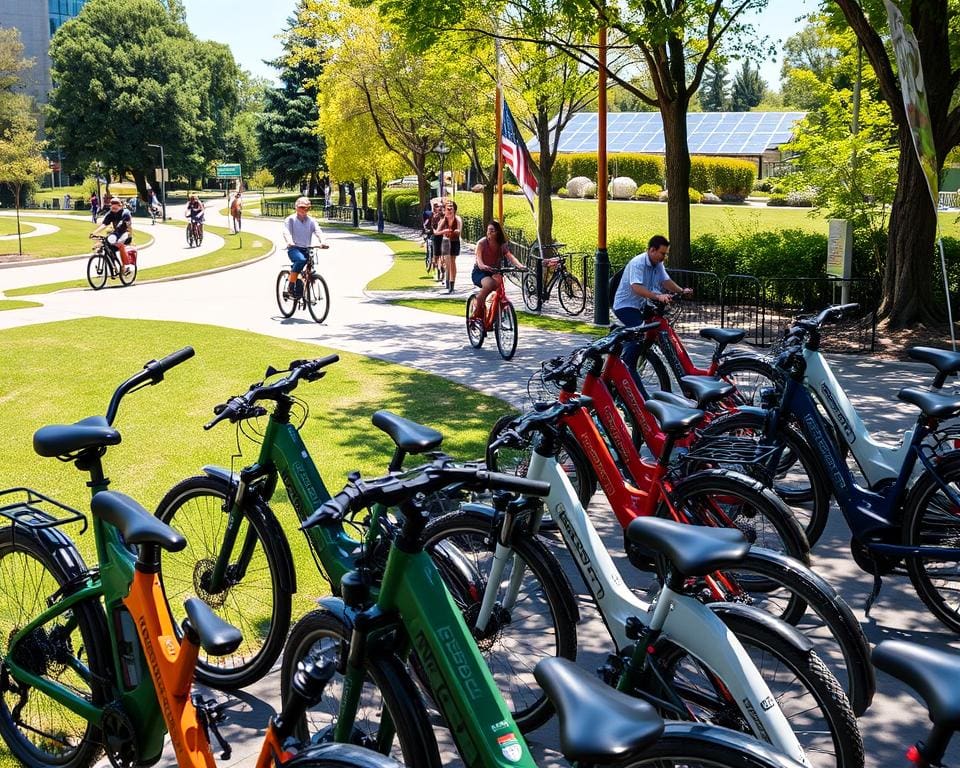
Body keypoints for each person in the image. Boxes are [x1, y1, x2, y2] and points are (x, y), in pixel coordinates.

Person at [612, 235, 692, 391]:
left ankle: (631, 352)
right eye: (663, 253)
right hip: (625, 306)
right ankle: (627, 367)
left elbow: (666, 281)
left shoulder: (657, 263)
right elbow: (636, 287)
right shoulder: (638, 263)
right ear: (652, 250)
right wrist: (658, 296)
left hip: (640, 305)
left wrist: (681, 290)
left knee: (652, 329)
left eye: (666, 253)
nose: (665, 257)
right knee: (639, 330)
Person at [470, 221, 526, 321]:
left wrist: (520, 266)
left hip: (494, 271)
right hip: (480, 272)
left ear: (498, 232)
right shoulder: (482, 243)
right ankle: (477, 310)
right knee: (490, 284)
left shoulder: (502, 245)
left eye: (492, 231)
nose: (489, 233)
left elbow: (510, 257)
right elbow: (479, 259)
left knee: (499, 282)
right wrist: (483, 266)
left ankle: (494, 309)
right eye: (488, 230)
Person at [281, 196, 328, 299]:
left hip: (307, 248)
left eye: (307, 208)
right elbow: (286, 232)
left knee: (310, 266)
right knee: (301, 260)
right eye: (302, 207)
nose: (304, 210)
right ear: (296, 207)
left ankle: (302, 285)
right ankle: (291, 285)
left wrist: (323, 242)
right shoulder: (290, 220)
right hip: (294, 248)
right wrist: (289, 241)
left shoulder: (311, 220)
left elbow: (318, 231)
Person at [90, 196, 134, 273]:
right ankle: (114, 268)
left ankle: (124, 268)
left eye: (115, 207)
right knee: (108, 247)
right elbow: (104, 224)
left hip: (126, 234)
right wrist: (94, 233)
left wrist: (128, 235)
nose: (113, 209)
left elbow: (125, 225)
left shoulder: (125, 213)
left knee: (119, 243)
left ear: (120, 206)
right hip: (116, 234)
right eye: (112, 207)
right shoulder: (110, 213)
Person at [435, 199, 462, 293]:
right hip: (446, 242)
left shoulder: (457, 219)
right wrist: (444, 231)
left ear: (454, 210)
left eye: (451, 209)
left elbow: (459, 228)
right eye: (448, 209)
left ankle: (452, 284)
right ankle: (446, 275)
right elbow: (437, 232)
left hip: (455, 241)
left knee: (452, 261)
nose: (449, 210)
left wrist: (457, 231)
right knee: (447, 261)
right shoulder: (444, 220)